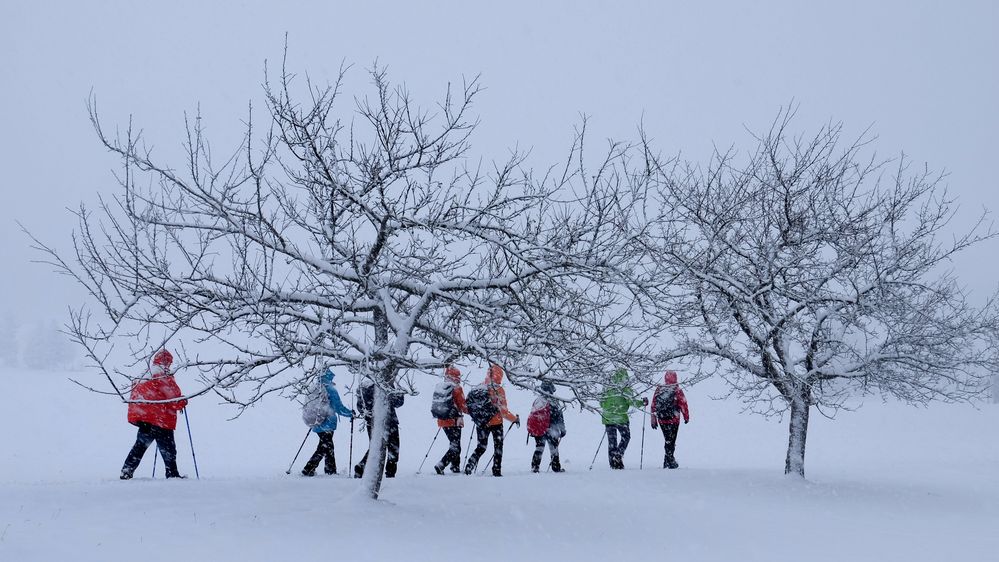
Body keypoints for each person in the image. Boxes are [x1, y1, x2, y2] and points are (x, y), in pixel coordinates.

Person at [120, 349, 188, 479]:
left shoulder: (143, 375)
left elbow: (134, 399)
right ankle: (172, 474)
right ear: (167, 361)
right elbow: (173, 397)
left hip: (144, 421)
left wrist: (139, 418)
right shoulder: (162, 375)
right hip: (161, 420)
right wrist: (183, 401)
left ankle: (126, 471)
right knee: (168, 450)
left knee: (139, 448)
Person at [464, 364, 520, 477]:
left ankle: (470, 464)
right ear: (499, 375)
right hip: (496, 423)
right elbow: (503, 411)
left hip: (481, 423)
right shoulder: (498, 389)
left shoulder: (479, 387)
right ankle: (496, 470)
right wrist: (514, 419)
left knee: (481, 446)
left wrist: (478, 416)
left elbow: (468, 407)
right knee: (498, 447)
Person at [301, 368, 354, 476]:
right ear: (330, 376)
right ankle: (313, 469)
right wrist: (350, 413)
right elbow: (338, 407)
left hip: (317, 422)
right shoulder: (330, 389)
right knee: (326, 447)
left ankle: (325, 470)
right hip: (327, 422)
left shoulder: (315, 387)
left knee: (325, 446)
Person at [353, 378, 405, 478]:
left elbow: (360, 407)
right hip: (389, 421)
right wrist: (400, 392)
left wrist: (370, 417)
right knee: (393, 447)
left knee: (375, 447)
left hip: (372, 422)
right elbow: (397, 402)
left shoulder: (363, 386)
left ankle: (362, 467)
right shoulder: (384, 383)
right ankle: (390, 473)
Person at [600, 368, 646, 470]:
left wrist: (609, 408)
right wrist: (642, 403)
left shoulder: (608, 386)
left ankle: (613, 463)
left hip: (608, 417)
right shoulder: (624, 386)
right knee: (626, 437)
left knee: (612, 441)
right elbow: (631, 401)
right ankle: (618, 455)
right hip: (621, 417)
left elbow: (601, 402)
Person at [650, 370, 690, 469]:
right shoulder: (677, 389)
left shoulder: (659, 389)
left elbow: (653, 405)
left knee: (668, 439)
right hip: (674, 419)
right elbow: (683, 404)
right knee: (671, 440)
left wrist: (653, 419)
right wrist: (686, 416)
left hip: (662, 419)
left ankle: (668, 460)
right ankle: (669, 460)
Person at [432, 366, 468, 475]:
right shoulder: (456, 388)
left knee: (454, 444)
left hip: (442, 420)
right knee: (455, 446)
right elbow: (463, 406)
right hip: (454, 421)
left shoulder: (440, 387)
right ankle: (442, 464)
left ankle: (455, 466)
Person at [529, 381, 566, 473]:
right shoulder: (554, 400)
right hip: (551, 428)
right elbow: (559, 416)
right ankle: (555, 467)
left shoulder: (538, 400)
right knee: (554, 448)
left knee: (539, 448)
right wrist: (562, 429)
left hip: (539, 428)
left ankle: (535, 467)